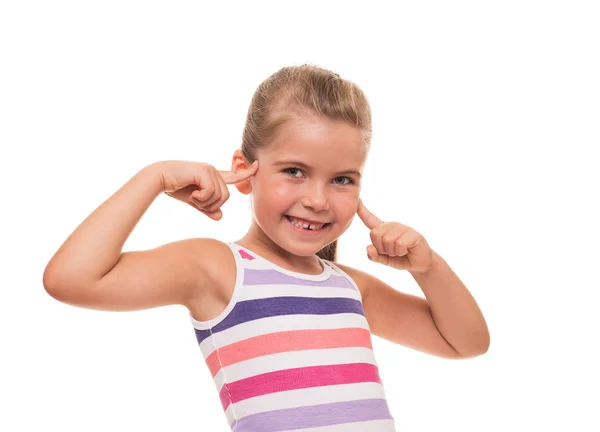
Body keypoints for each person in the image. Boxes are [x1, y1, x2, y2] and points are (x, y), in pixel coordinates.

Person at [43, 64, 490, 431]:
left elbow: (466, 343)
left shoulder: (349, 287)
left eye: (342, 179)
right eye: (294, 171)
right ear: (244, 170)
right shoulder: (218, 269)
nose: (317, 199)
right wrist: (155, 177)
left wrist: (427, 267)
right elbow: (71, 279)